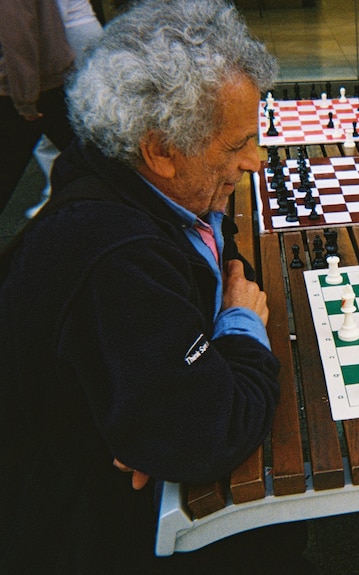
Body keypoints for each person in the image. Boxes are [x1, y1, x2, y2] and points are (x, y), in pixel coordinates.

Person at [0, 1, 312, 573]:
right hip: (92, 533)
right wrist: (239, 325)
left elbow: (219, 249)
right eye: (236, 144)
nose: (257, 160)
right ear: (160, 150)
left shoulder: (137, 182)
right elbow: (209, 430)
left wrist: (167, 415)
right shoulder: (118, 258)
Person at [27, 0, 105, 219]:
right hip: (77, 32)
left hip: (67, 37)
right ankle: (62, 189)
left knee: (58, 119)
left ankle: (67, 191)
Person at [0, 0, 75, 216]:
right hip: (45, 81)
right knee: (93, 157)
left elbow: (18, 37)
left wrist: (25, 98)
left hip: (24, 87)